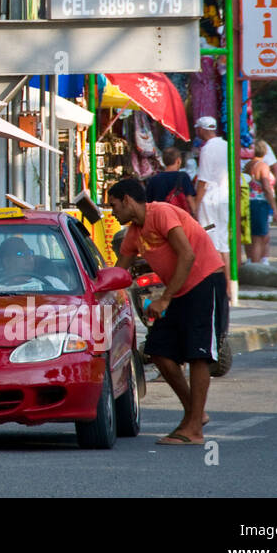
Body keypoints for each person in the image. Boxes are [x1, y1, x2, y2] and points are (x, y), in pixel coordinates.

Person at [108, 177, 227, 446]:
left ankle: (194, 429)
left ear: (127, 200)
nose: (113, 212)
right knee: (158, 350)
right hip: (177, 290)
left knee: (199, 354)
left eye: (114, 205)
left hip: (203, 282)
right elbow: (118, 273)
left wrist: (165, 298)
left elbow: (187, 255)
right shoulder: (134, 233)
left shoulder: (160, 212)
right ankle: (195, 414)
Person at [193, 115, 231, 281]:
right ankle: (228, 283)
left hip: (210, 201)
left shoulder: (207, 149)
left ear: (201, 130)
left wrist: (196, 204)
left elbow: (203, 180)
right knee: (223, 242)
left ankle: (215, 280)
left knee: (210, 241)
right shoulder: (227, 145)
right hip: (225, 198)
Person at [244, 140, 277, 263]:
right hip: (260, 203)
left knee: (250, 236)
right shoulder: (263, 166)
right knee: (259, 237)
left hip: (248, 202)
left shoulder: (248, 165)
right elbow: (266, 187)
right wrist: (274, 207)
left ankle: (249, 260)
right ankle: (257, 264)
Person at [145, 147, 198, 216]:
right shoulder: (183, 177)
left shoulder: (153, 179)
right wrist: (194, 214)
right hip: (179, 217)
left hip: (160, 217)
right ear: (178, 161)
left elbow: (149, 202)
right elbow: (189, 199)